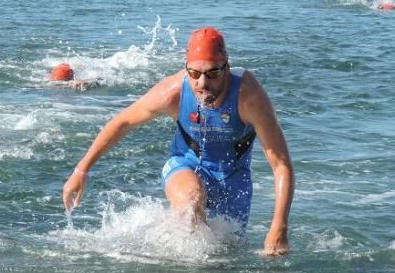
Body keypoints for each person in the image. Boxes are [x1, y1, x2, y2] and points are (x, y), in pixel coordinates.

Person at [62, 27, 294, 256]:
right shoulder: (173, 92)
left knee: (224, 252)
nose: (202, 83)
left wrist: (279, 226)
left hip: (233, 176)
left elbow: (281, 164)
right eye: (194, 73)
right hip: (185, 164)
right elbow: (122, 122)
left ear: (226, 68)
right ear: (186, 68)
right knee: (192, 204)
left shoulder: (249, 98)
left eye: (212, 73)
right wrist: (81, 171)